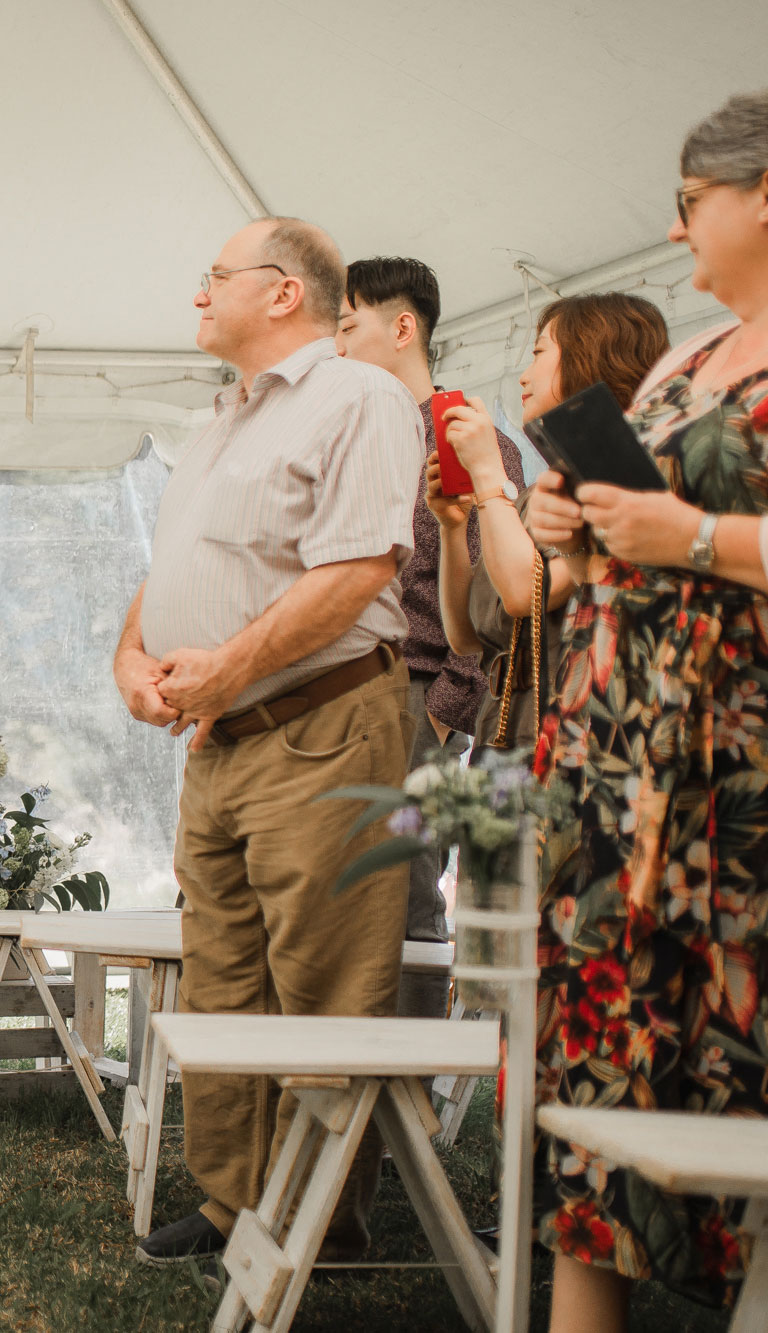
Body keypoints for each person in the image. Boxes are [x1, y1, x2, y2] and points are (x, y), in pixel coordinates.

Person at [114, 217, 424, 1266]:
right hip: (221, 735)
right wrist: (134, 660)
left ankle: (318, 1214)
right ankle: (230, 1200)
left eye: (214, 278)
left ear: (284, 293)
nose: (197, 295)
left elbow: (358, 569)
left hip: (323, 724)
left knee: (321, 973)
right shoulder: (214, 419)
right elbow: (167, 569)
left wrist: (226, 667)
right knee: (219, 970)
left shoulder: (361, 400)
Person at [523, 89, 768, 1331]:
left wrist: (698, 534)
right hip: (617, 750)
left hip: (740, 767)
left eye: (688, 204)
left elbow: (693, 536)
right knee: (598, 1043)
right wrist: (566, 526)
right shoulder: (682, 361)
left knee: (734, 1048)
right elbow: (612, 551)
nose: (676, 235)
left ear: (760, 191)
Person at [336, 256, 525, 1020]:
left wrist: (446, 707)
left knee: (409, 887)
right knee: (344, 887)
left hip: (418, 695)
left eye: (348, 326)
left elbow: (495, 596)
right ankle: (348, 1085)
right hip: (343, 692)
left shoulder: (466, 438)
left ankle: (404, 1105)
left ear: (402, 326)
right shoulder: (346, 432)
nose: (337, 346)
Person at [431, 294, 669, 755]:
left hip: (574, 732)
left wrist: (485, 472)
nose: (524, 374)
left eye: (539, 352)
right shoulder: (528, 499)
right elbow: (464, 638)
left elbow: (526, 593)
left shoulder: (622, 487)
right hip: (501, 732)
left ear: (590, 356)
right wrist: (451, 527)